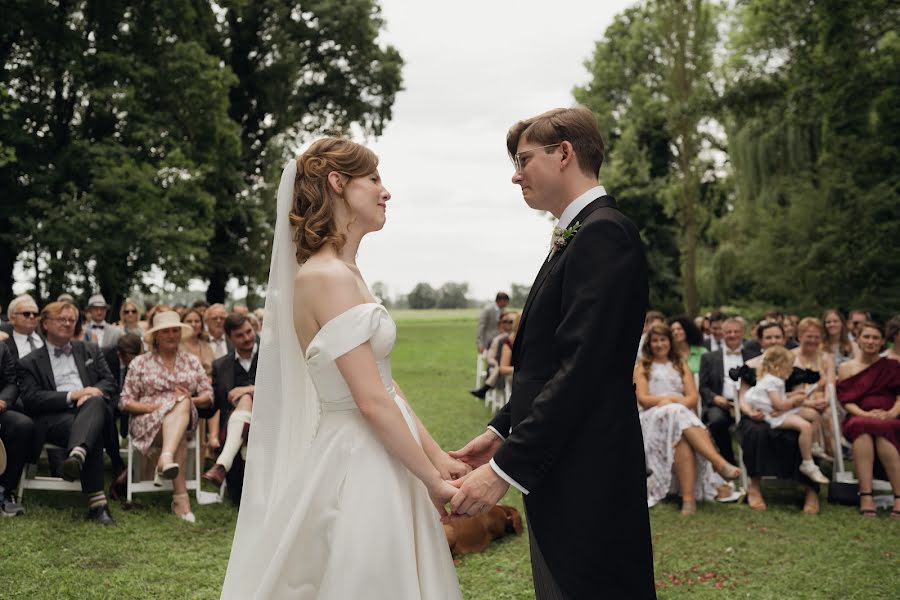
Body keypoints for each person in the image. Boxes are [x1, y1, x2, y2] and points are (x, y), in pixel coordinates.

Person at [221, 138, 467, 598]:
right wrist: (432, 482)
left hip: (387, 449)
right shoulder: (326, 277)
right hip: (360, 461)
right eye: (373, 178)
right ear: (337, 183)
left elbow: (386, 388)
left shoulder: (347, 271)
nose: (385, 191)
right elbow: (370, 402)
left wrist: (437, 458)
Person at [450, 107, 655, 598]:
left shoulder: (604, 234)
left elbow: (585, 368)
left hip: (589, 470)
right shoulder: (577, 233)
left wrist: (504, 470)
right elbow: (547, 363)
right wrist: (502, 429)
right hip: (564, 464)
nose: (515, 174)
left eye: (524, 160)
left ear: (564, 153)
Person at [17, 301, 118, 524]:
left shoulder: (90, 350)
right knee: (94, 421)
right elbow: (32, 399)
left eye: (71, 320)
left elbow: (109, 382)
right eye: (61, 319)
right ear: (45, 324)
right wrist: (74, 395)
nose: (67, 323)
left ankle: (78, 455)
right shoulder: (29, 362)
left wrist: (91, 393)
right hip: (55, 419)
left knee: (95, 403)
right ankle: (97, 503)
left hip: (90, 410)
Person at [636, 323, 741, 514]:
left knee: (680, 434)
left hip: (680, 417)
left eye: (663, 340)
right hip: (653, 417)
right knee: (676, 412)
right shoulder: (643, 366)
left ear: (670, 342)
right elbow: (643, 399)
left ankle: (688, 500)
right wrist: (669, 400)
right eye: (655, 341)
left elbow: (693, 398)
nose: (659, 344)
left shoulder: (680, 364)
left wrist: (675, 403)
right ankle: (718, 462)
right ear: (649, 344)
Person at [119, 311, 214, 523]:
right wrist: (155, 407)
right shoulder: (140, 363)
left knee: (181, 404)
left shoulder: (191, 361)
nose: (172, 335)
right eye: (166, 332)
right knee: (177, 427)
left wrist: (191, 400)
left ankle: (165, 459)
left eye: (175, 330)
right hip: (148, 420)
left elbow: (208, 395)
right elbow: (125, 401)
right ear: (157, 336)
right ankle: (181, 500)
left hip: (184, 417)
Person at [736, 321, 822, 513]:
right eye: (769, 337)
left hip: (787, 413)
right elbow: (742, 397)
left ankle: (810, 490)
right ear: (760, 340)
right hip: (757, 414)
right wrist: (750, 412)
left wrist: (783, 409)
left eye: (777, 337)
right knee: (755, 432)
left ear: (784, 339)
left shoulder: (794, 367)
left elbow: (799, 397)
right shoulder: (751, 366)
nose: (773, 340)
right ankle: (755, 486)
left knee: (803, 433)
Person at [836, 321, 900, 519]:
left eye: (875, 338)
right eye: (867, 337)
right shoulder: (847, 367)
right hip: (858, 416)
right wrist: (865, 414)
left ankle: (899, 496)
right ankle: (866, 495)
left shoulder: (893, 365)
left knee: (884, 428)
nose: (871, 341)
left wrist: (890, 413)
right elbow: (846, 401)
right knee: (861, 426)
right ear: (858, 339)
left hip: (890, 416)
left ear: (882, 342)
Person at [744, 346, 829, 484]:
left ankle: (813, 444)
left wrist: (793, 395)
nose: (791, 371)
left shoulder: (773, 379)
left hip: (779, 409)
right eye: (789, 367)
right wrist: (795, 400)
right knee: (805, 426)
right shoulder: (772, 381)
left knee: (814, 415)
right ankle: (807, 462)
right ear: (778, 366)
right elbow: (780, 405)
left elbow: (779, 397)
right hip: (774, 415)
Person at [201, 313, 258, 501]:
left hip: (272, 419)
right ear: (230, 338)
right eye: (240, 335)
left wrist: (248, 389)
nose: (247, 338)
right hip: (232, 425)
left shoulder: (273, 355)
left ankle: (222, 464)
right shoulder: (220, 365)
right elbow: (214, 405)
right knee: (245, 402)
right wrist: (196, 398)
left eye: (249, 332)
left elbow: (284, 387)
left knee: (246, 397)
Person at [698, 317, 755, 466]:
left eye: (736, 331)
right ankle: (728, 460)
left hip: (748, 403)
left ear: (742, 333)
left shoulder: (753, 356)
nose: (732, 335)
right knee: (717, 421)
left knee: (754, 425)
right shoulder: (708, 357)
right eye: (728, 332)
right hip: (720, 404)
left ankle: (752, 462)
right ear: (722, 334)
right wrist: (715, 398)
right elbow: (703, 387)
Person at [791, 317, 837, 459]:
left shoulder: (826, 358)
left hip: (822, 399)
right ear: (800, 337)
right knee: (812, 412)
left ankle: (832, 453)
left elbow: (831, 384)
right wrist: (808, 403)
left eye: (817, 337)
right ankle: (815, 450)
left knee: (830, 412)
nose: (813, 340)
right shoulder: (790, 357)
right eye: (809, 336)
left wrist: (827, 400)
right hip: (796, 400)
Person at [0, 339, 33, 516]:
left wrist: (4, 401)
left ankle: (4, 490)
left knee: (22, 425)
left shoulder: (1, 348)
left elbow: (11, 382)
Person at [470, 311, 515, 399]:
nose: (508, 324)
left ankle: (484, 389)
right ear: (500, 324)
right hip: (497, 365)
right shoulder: (497, 339)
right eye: (505, 321)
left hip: (507, 367)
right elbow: (489, 356)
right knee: (497, 368)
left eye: (511, 322)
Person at [4, 295, 44, 362]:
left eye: (35, 314)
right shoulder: (4, 344)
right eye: (26, 314)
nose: (32, 317)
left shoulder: (48, 339)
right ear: (12, 318)